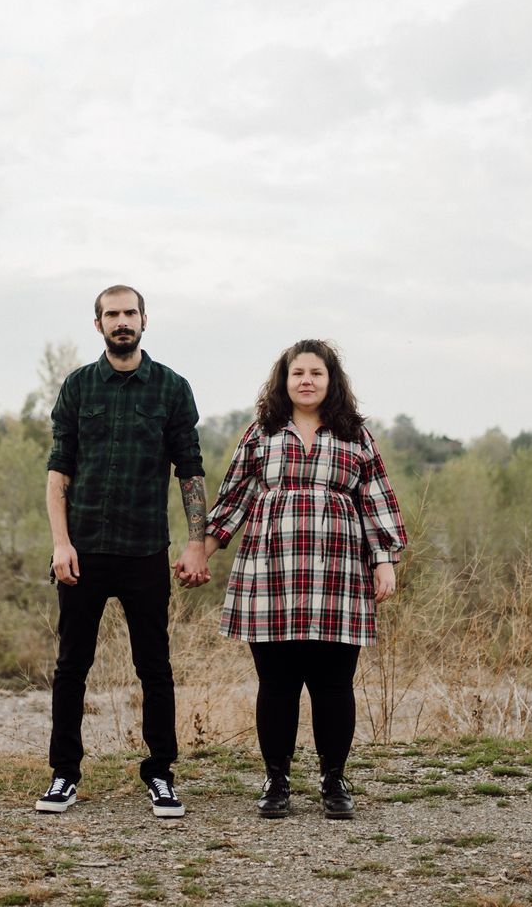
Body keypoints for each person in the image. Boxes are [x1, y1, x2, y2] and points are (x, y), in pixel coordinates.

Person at [202, 339, 406, 819]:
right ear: (284, 381)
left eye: (316, 373)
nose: (307, 381)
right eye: (298, 374)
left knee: (335, 684)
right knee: (277, 684)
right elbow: (232, 498)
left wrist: (385, 559)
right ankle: (276, 782)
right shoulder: (262, 432)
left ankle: (334, 781)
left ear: (331, 380)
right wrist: (201, 551)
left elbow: (376, 495)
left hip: (338, 573)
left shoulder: (355, 435)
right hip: (271, 572)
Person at [39, 284, 210, 818]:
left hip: (143, 553)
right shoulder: (78, 387)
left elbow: (191, 470)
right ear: (98, 325)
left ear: (144, 320)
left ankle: (160, 773)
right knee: (72, 667)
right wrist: (60, 543)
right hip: (84, 552)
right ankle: (64, 775)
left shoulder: (171, 389)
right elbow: (58, 470)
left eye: (129, 313)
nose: (121, 322)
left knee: (154, 667)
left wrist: (196, 542)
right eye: (111, 314)